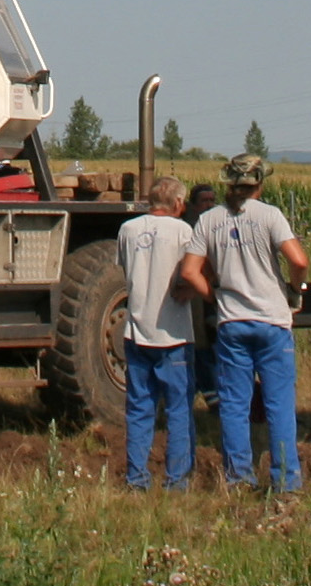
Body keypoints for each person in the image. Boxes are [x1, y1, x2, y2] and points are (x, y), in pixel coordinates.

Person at [180, 153, 309, 493]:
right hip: (272, 321)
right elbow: (299, 260)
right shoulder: (270, 216)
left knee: (234, 405)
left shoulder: (209, 220)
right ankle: (285, 480)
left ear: (227, 184)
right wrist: (293, 290)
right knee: (278, 404)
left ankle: (238, 478)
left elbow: (190, 272)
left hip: (232, 322)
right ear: (259, 184)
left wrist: (215, 297)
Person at [118, 175, 202, 490]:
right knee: (179, 408)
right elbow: (191, 274)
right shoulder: (184, 232)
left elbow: (126, 271)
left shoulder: (128, 229)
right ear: (179, 203)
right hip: (174, 333)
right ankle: (177, 478)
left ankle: (136, 476)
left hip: (136, 330)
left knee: (140, 407)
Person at [182, 184, 219, 408]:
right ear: (193, 205)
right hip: (197, 295)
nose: (209, 205)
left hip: (213, 292)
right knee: (200, 344)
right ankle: (209, 393)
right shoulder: (188, 228)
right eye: (204, 200)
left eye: (212, 200)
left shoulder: (217, 225)